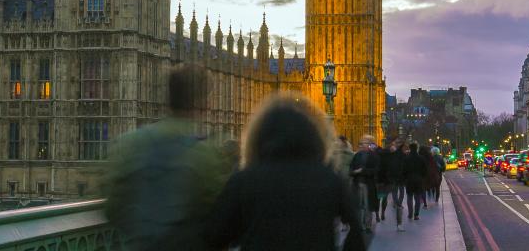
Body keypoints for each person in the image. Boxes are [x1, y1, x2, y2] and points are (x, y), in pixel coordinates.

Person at [203, 94, 366, 251]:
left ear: (259, 136)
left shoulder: (244, 179)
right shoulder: (330, 179)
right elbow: (356, 230)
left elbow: (214, 235)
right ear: (312, 136)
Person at [104, 66, 231, 251]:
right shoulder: (205, 154)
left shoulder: (130, 143)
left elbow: (112, 209)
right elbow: (219, 220)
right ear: (202, 103)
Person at [350, 135, 380, 230]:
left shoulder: (374, 156)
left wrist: (362, 171)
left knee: (368, 206)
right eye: (362, 142)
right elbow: (351, 167)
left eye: (365, 142)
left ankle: (368, 225)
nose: (363, 144)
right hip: (357, 183)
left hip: (368, 184)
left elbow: (376, 170)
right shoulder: (357, 155)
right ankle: (359, 224)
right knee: (358, 205)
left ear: (370, 144)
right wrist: (354, 172)